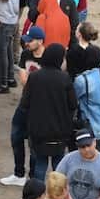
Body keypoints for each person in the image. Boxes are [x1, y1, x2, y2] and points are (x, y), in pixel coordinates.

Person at [21, 44, 78, 180]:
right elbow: (73, 104)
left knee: (40, 164)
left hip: (38, 130)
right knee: (59, 165)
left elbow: (25, 103)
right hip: (60, 130)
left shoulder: (34, 77)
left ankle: (37, 195)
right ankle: (57, 195)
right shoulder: (65, 78)